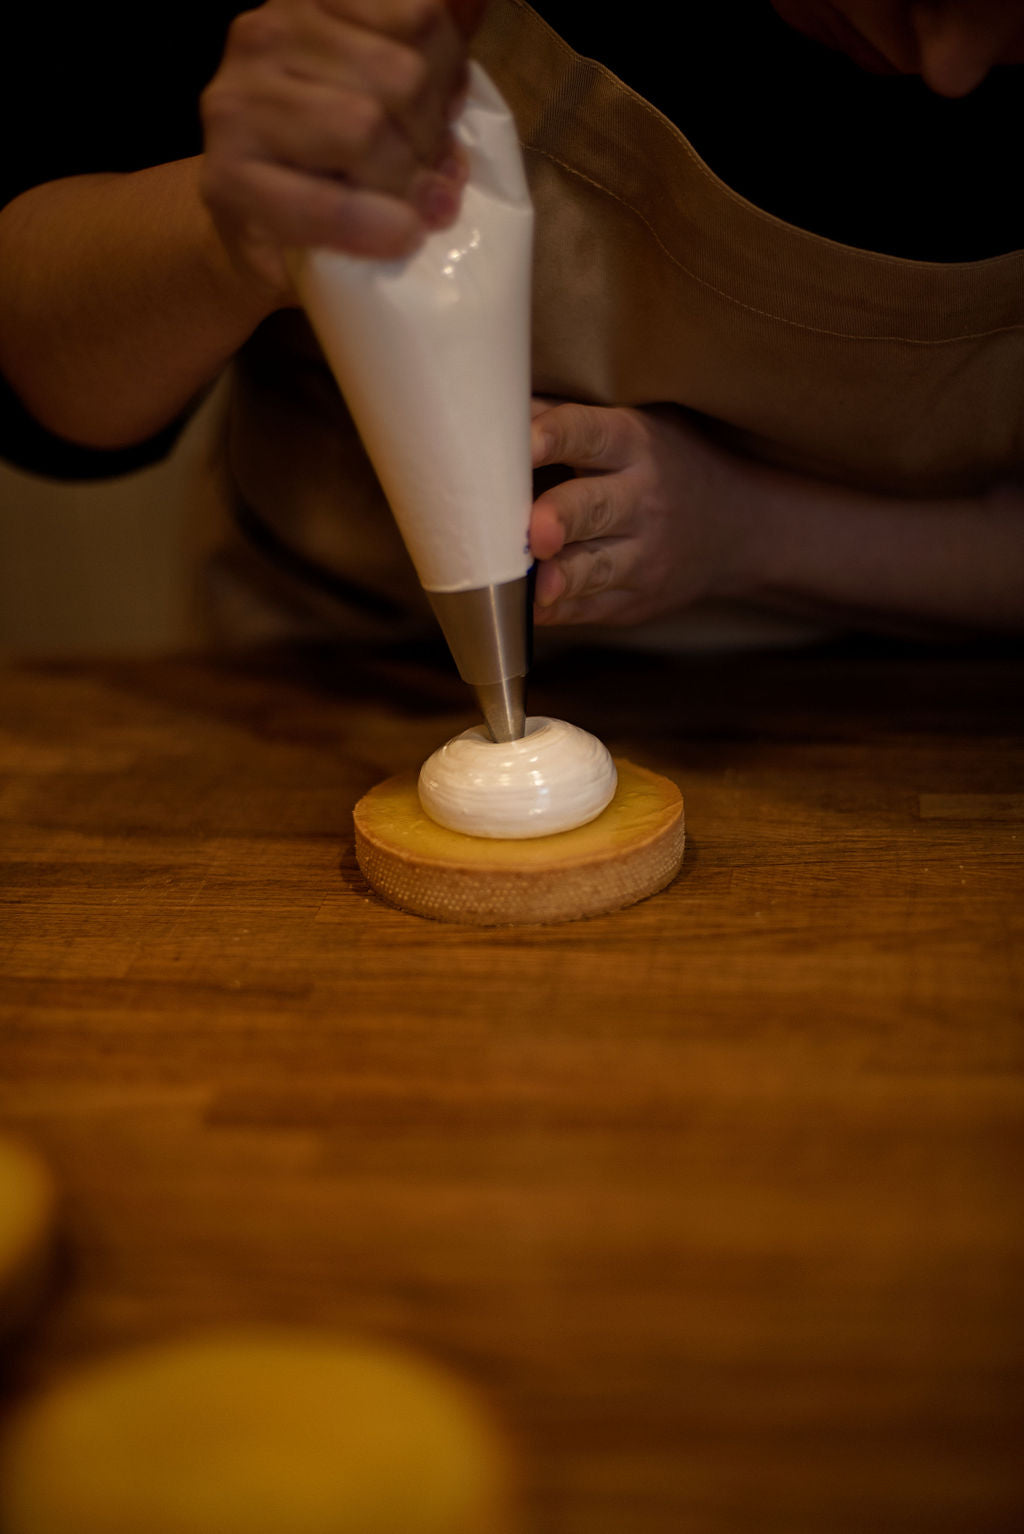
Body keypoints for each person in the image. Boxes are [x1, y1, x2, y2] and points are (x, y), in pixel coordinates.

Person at [1, 0, 1023, 644]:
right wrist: (235, 241)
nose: (949, 66)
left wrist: (749, 530)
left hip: (889, 728)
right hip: (329, 682)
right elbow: (43, 380)